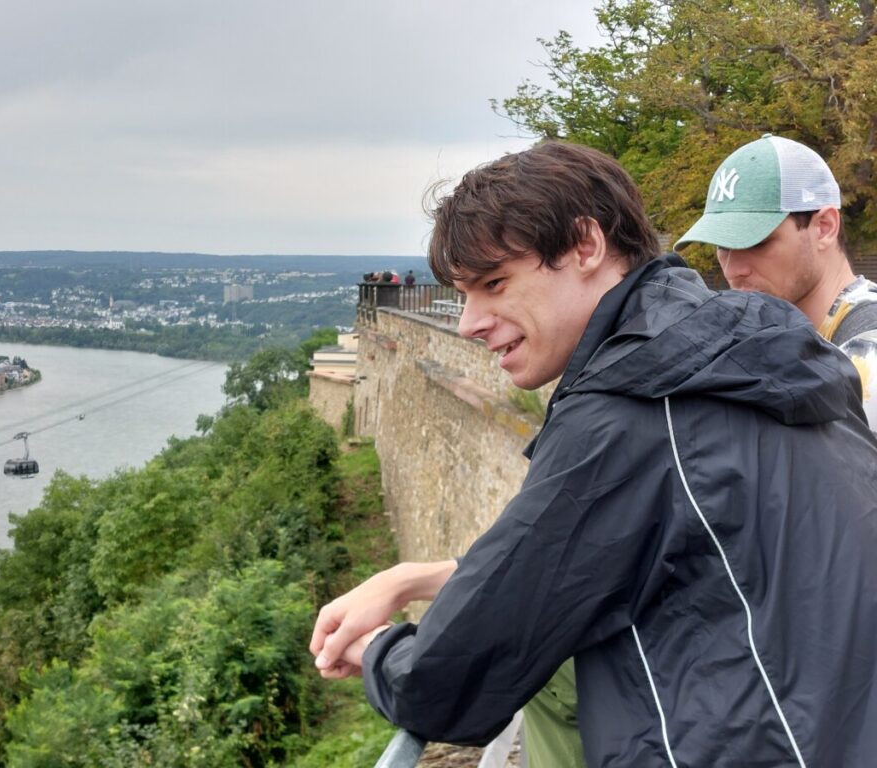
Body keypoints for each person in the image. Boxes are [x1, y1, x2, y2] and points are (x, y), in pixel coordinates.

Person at [311, 141, 877, 766]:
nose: (470, 322)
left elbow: (448, 683)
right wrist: (409, 578)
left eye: (495, 283)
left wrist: (382, 651)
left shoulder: (634, 405)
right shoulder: (749, 355)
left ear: (586, 246)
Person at [675, 134, 877, 428]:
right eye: (722, 246)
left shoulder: (866, 356)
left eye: (756, 243)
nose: (732, 270)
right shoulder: (781, 343)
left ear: (824, 227)